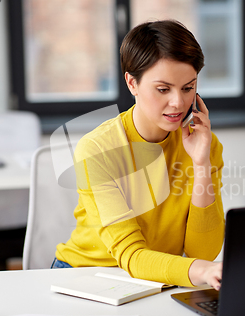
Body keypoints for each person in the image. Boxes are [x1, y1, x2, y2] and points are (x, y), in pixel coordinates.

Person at [53, 20, 224, 291]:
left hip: (157, 276)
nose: (178, 103)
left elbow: (202, 252)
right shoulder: (98, 149)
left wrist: (201, 164)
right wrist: (202, 271)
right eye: (163, 89)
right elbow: (131, 255)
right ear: (132, 83)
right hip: (87, 276)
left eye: (188, 88)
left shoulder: (204, 144)